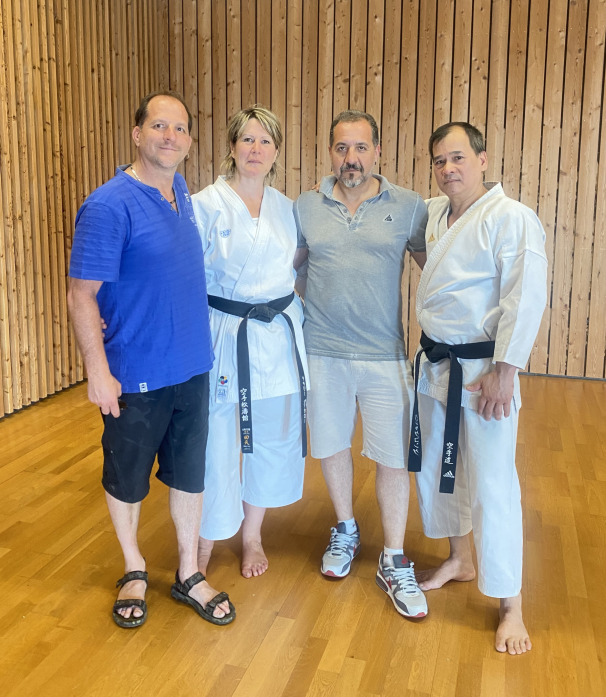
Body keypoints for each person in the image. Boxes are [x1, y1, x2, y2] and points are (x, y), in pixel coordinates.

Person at [67, 91, 235, 628]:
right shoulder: (108, 205)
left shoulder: (180, 191)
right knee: (128, 477)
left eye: (180, 128)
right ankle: (134, 568)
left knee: (189, 474)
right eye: (159, 126)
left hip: (192, 365)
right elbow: (81, 294)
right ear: (137, 134)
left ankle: (189, 571)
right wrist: (97, 371)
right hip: (135, 373)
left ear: (189, 141)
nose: (171, 136)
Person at [409, 122, 547, 653]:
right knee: (438, 471)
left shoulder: (512, 218)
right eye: (439, 160)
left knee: (493, 483)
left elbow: (525, 298)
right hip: (437, 361)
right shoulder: (434, 214)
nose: (449, 169)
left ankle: (511, 604)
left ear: (483, 159)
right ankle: (460, 558)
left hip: (486, 370)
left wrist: (506, 371)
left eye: (459, 157)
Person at [293, 110, 429, 619]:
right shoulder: (305, 206)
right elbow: (291, 269)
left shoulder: (409, 207)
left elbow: (438, 270)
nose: (351, 158)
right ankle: (346, 528)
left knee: (393, 458)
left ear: (378, 151)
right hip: (322, 351)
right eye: (341, 148)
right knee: (331, 446)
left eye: (361, 147)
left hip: (384, 356)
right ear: (330, 152)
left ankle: (393, 557)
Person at [192, 106, 308, 579]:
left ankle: (252, 535)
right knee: (217, 438)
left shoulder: (287, 207)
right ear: (232, 147)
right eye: (247, 140)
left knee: (271, 435)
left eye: (265, 141)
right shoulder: (205, 204)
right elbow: (187, 276)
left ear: (277, 151)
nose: (255, 149)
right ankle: (204, 539)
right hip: (225, 330)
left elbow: (297, 265)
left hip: (277, 333)